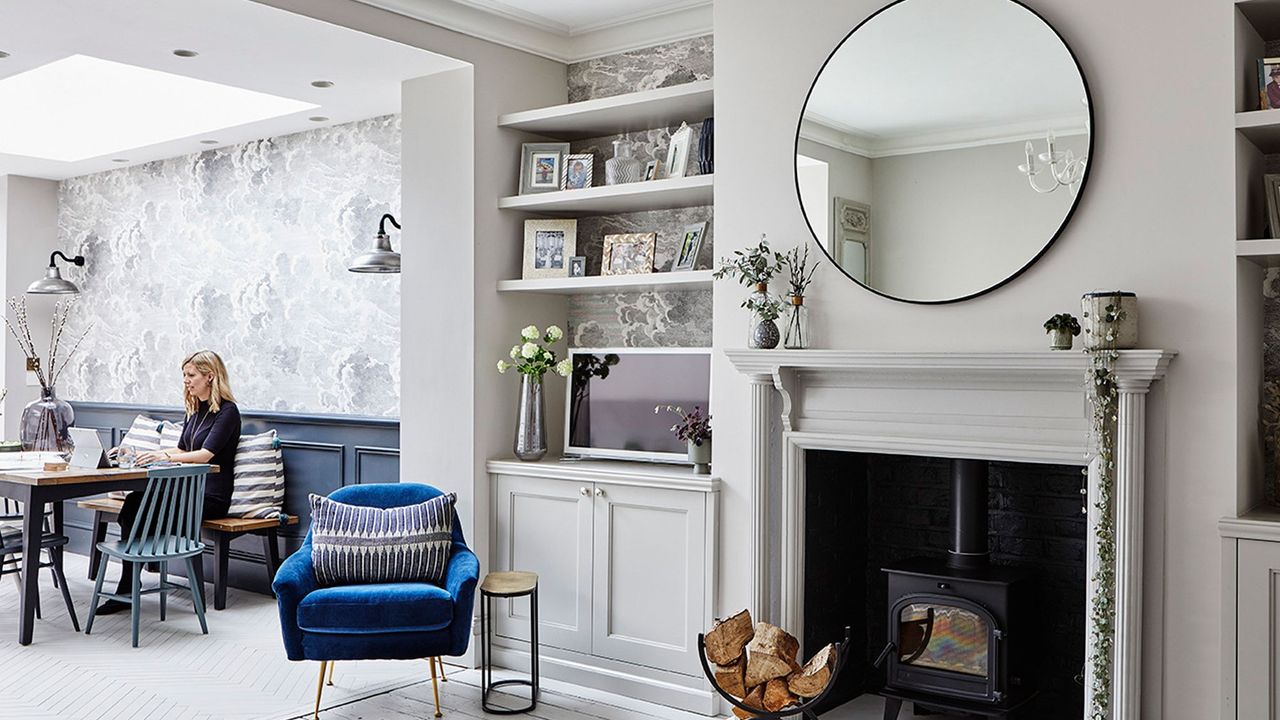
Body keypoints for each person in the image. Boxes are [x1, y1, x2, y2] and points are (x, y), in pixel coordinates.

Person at [95, 350, 242, 615]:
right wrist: (146, 456)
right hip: (187, 493)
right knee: (133, 503)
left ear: (210, 376)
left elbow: (205, 455)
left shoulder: (228, 412)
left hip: (210, 498)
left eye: (191, 375)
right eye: (184, 375)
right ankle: (130, 581)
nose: (186, 380)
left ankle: (127, 586)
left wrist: (163, 455)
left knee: (138, 510)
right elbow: (182, 448)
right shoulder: (195, 410)